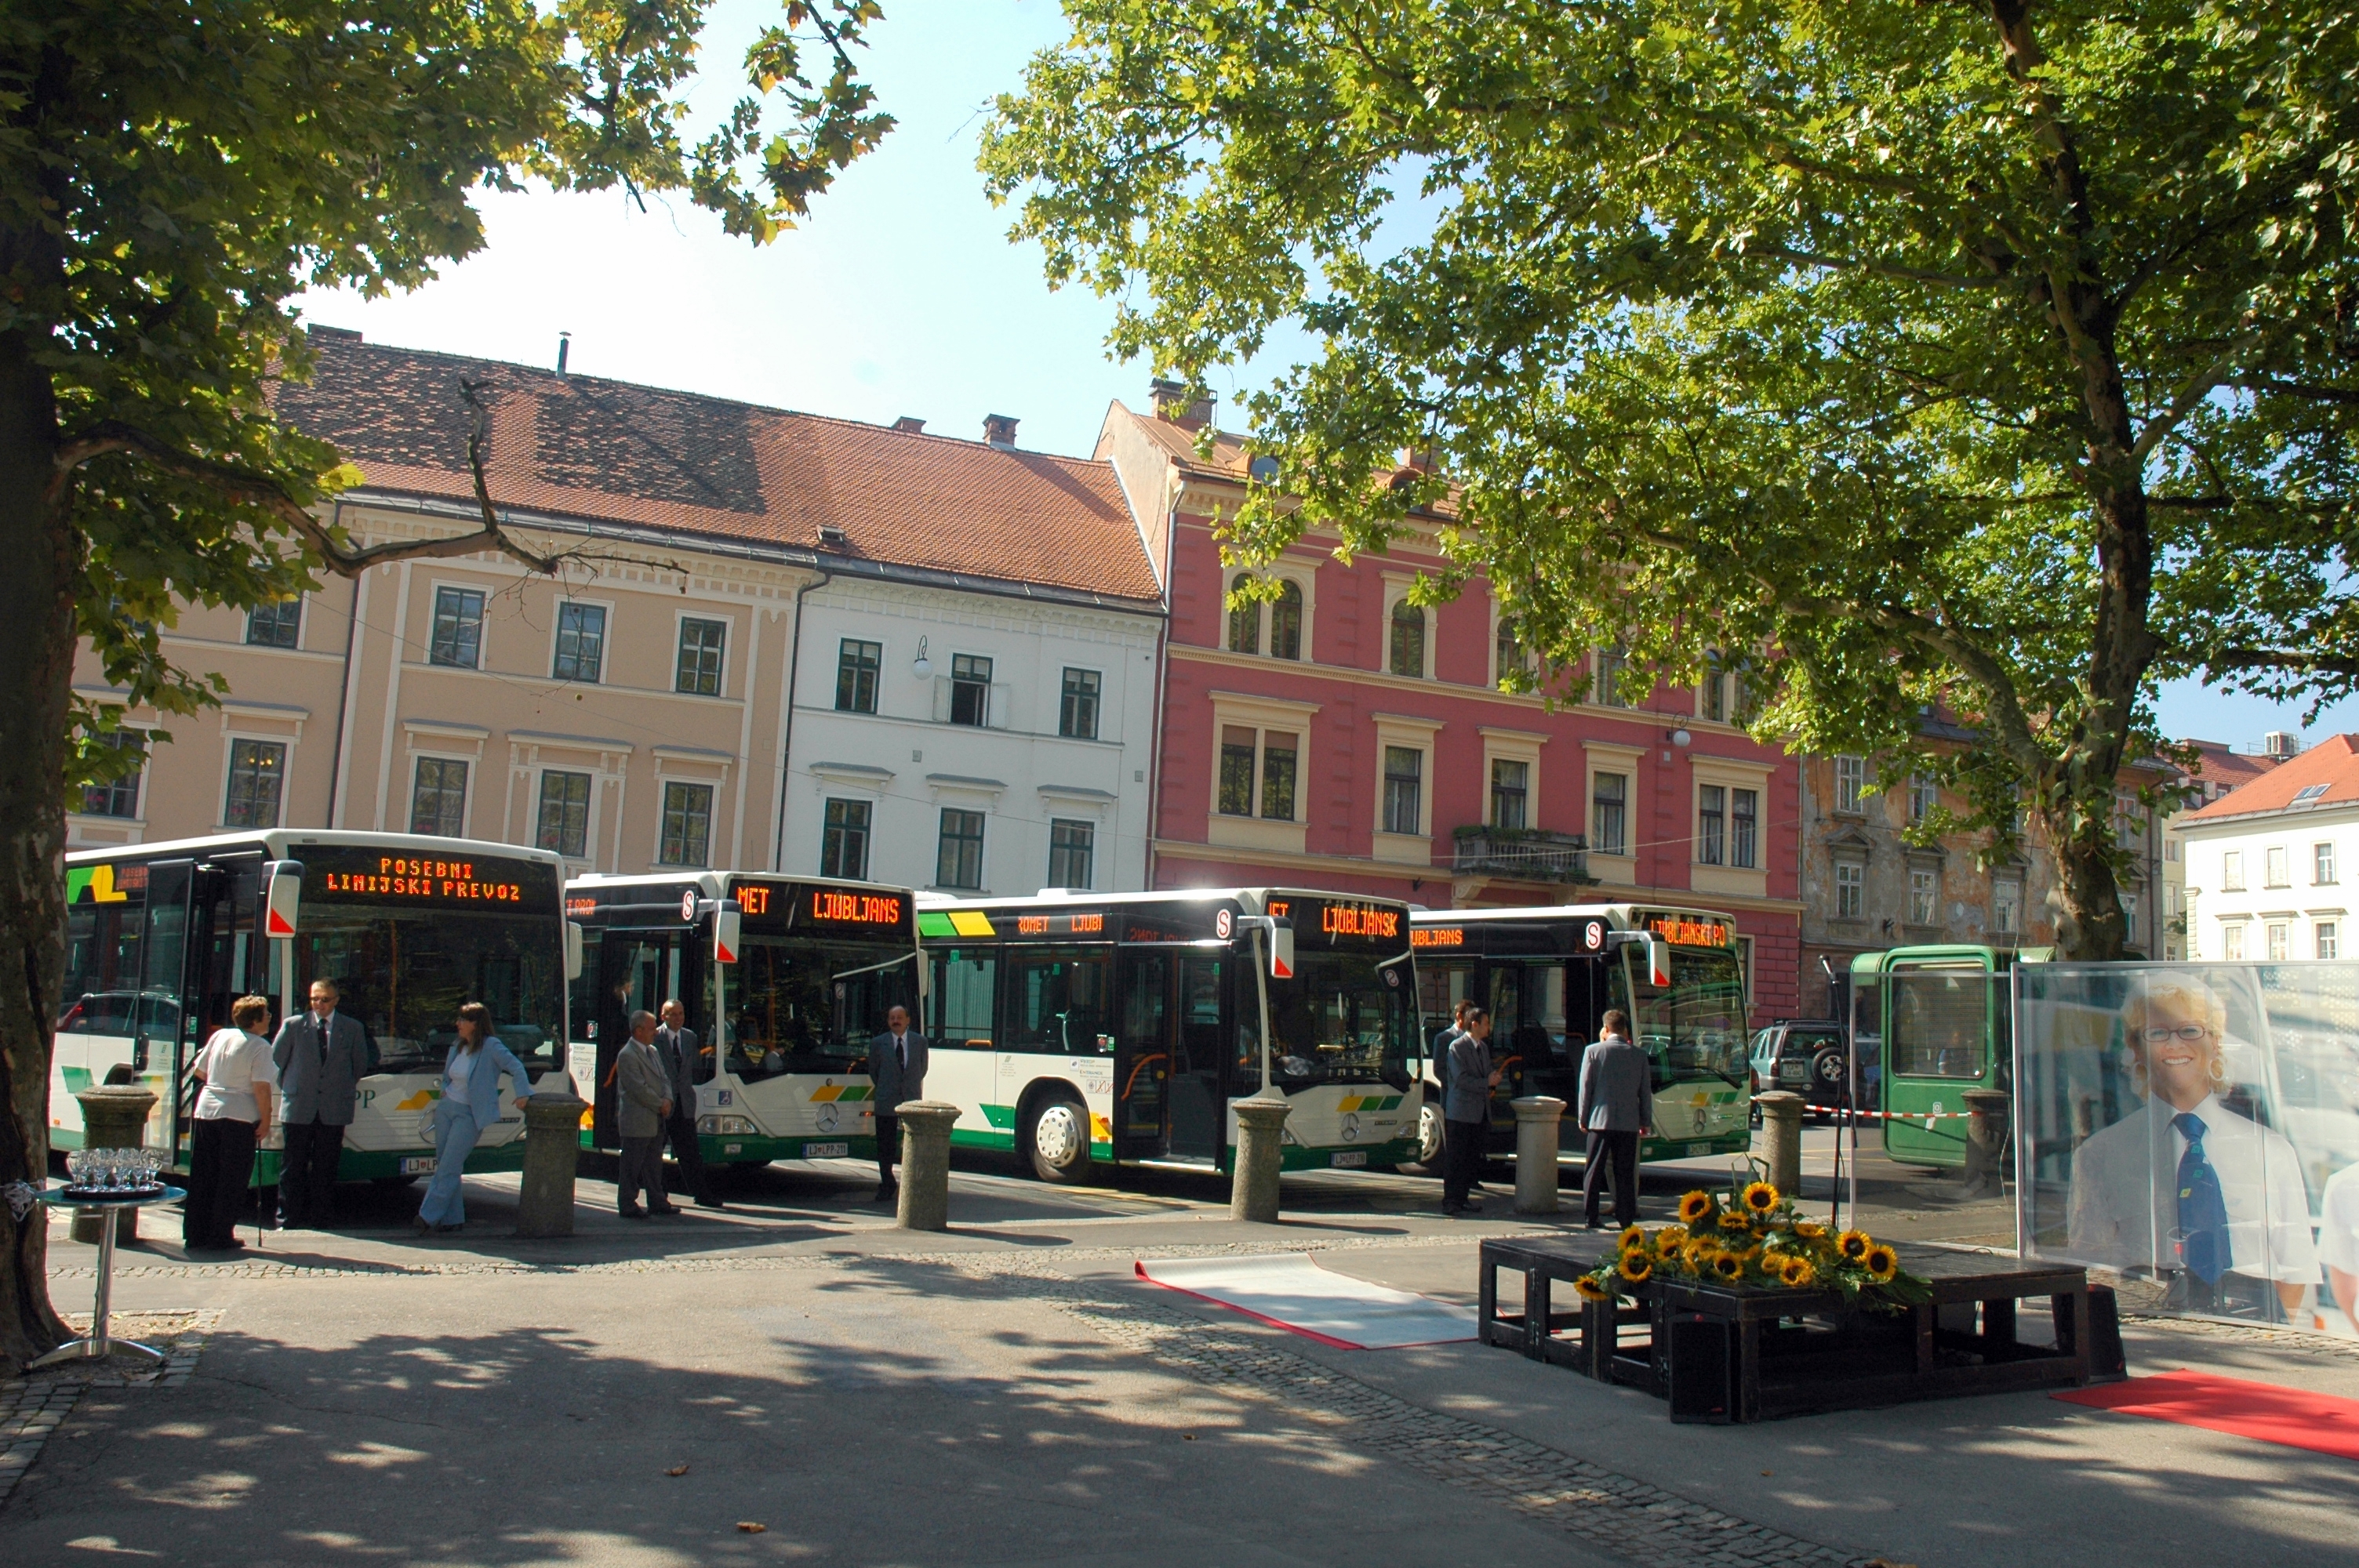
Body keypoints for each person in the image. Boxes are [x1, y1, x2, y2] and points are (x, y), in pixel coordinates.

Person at [2066, 977, 2317, 1315]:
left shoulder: (2270, 1150)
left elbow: (2295, 1267)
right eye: (2157, 1033)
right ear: (2136, 1048)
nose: (2175, 1045)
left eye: (2191, 1030)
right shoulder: (2099, 1156)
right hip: (2156, 1332)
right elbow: (2091, 1273)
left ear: (2215, 1042)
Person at [413, 1002, 539, 1236]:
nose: (458, 1024)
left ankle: (427, 1216)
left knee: (449, 1166)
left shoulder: (491, 1046)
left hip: (469, 1115)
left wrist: (523, 1094)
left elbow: (517, 1067)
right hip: (447, 1110)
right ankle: (453, 1218)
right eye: (458, 1019)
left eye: (463, 1020)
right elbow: (449, 1073)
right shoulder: (457, 1046)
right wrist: (445, 1089)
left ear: (476, 1024)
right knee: (447, 1164)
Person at [271, 977, 371, 1229]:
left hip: (334, 1106)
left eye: (325, 999)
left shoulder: (352, 1028)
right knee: (293, 1166)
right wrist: (294, 1087)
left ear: (336, 1000)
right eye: (315, 998)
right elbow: (277, 1060)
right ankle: (288, 1216)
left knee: (326, 1166)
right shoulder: (294, 1025)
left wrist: (337, 1087)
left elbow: (358, 1065)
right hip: (299, 1105)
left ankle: (321, 1216)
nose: (319, 1004)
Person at [184, 995, 276, 1251]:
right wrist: (266, 1119)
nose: (270, 1017)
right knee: (232, 1178)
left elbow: (200, 1072)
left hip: (207, 1109)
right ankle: (220, 1234)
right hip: (239, 1113)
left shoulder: (220, 1036)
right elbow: (261, 1088)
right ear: (256, 1019)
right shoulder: (260, 1046)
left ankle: (195, 1232)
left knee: (204, 1174)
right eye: (266, 1013)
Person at [1577, 1008, 1652, 1230]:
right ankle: (1626, 1217)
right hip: (1628, 1123)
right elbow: (1644, 1092)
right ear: (1625, 1029)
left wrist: (1583, 1118)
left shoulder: (1593, 1051)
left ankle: (1591, 1217)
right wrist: (1645, 1121)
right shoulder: (1639, 1055)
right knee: (1625, 1172)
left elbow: (1586, 1089)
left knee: (1593, 1170)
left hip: (1599, 1121)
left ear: (1606, 1029)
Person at [656, 999, 722, 1209]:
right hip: (662, 1103)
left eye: (681, 1013)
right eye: (673, 1014)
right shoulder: (655, 1037)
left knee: (690, 1153)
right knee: (655, 1152)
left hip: (684, 1104)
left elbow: (692, 1069)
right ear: (663, 1016)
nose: (678, 1018)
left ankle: (701, 1193)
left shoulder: (690, 1037)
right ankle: (659, 1196)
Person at [615, 1010, 680, 1219]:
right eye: (652, 1029)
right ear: (639, 1030)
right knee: (631, 1166)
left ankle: (657, 1201)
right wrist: (660, 1103)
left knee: (654, 1164)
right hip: (638, 1120)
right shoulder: (627, 1055)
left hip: (655, 1119)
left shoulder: (652, 1051)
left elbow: (665, 1079)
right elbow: (638, 1089)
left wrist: (668, 1099)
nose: (656, 1032)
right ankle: (627, 1204)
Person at [868, 1003, 929, 1203]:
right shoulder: (878, 1043)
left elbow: (922, 1069)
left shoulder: (920, 1042)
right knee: (885, 1146)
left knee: (913, 1144)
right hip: (886, 1101)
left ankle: (913, 1184)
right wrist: (889, 1088)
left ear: (908, 1020)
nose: (896, 1021)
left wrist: (909, 1089)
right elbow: (874, 1072)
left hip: (911, 1100)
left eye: (899, 1018)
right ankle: (886, 1184)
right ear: (888, 1021)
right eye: (892, 1018)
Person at [1443, 1007, 1500, 1215]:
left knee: (1471, 1158)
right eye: (1486, 1023)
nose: (1488, 1027)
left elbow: (1484, 1075)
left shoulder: (1483, 1048)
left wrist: (1492, 1080)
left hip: (1479, 1111)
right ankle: (1451, 1201)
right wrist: (1486, 1082)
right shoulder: (1457, 1047)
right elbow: (1460, 1079)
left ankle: (1463, 1196)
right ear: (1474, 1024)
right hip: (1461, 1112)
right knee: (1456, 1158)